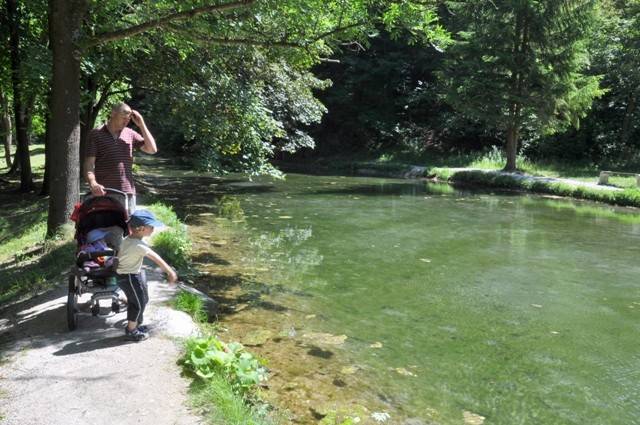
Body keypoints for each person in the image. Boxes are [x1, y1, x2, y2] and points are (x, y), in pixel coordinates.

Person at [85, 102, 157, 216]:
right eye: (123, 118)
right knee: (103, 229)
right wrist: (93, 183)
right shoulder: (96, 134)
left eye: (128, 119)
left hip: (127, 193)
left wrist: (141, 124)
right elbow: (89, 164)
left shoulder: (130, 134)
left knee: (125, 229)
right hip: (104, 193)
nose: (126, 121)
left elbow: (152, 149)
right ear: (113, 113)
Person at [116, 209, 178, 341]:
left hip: (130, 275)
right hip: (128, 277)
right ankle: (131, 330)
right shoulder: (138, 245)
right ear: (141, 228)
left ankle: (136, 325)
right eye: (151, 226)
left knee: (142, 299)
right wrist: (170, 272)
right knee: (137, 304)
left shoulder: (129, 239)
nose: (153, 229)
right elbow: (157, 259)